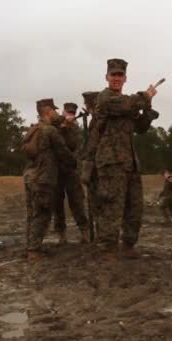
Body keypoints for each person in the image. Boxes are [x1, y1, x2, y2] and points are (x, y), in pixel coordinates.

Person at [90, 58, 159, 261]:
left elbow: (140, 128)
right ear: (107, 77)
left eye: (120, 75)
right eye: (114, 75)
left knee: (134, 206)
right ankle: (108, 249)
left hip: (129, 162)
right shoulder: (105, 99)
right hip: (111, 162)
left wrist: (147, 109)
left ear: (125, 78)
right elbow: (128, 104)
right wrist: (145, 97)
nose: (117, 78)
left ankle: (129, 244)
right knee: (112, 205)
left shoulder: (127, 105)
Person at [23, 98, 76, 261]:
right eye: (53, 110)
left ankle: (30, 246)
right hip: (44, 177)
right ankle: (34, 251)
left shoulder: (34, 129)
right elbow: (63, 152)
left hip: (30, 175)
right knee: (43, 213)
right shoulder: (50, 131)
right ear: (47, 111)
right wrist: (74, 162)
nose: (56, 113)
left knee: (32, 213)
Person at [52, 102, 89, 244]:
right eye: (68, 112)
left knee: (77, 202)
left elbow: (75, 144)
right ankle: (61, 234)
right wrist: (61, 128)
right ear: (63, 112)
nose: (70, 115)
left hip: (71, 171)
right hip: (56, 170)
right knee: (57, 204)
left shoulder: (75, 129)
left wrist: (67, 129)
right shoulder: (54, 126)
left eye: (72, 113)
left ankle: (84, 231)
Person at [80, 91, 101, 240]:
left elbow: (93, 146)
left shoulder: (97, 121)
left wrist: (86, 169)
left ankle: (102, 238)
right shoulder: (97, 120)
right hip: (100, 167)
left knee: (99, 206)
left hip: (99, 168)